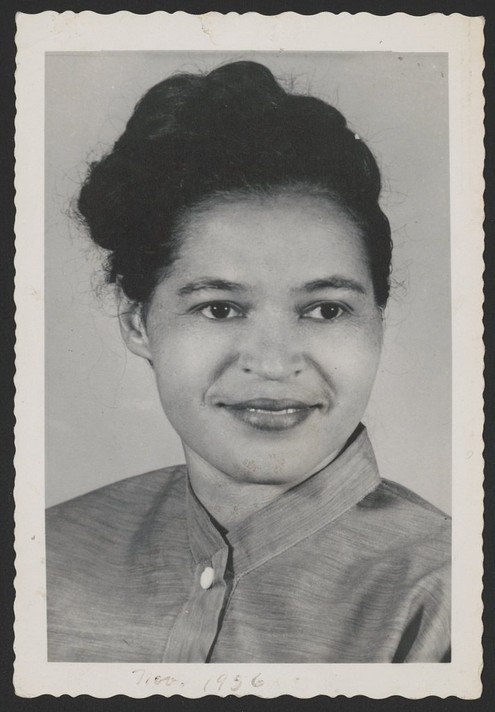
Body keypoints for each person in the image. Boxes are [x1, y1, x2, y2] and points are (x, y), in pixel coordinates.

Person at [46, 60, 451, 663]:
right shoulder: (45, 555)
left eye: (325, 310)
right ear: (138, 322)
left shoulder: (445, 595)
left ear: (379, 321)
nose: (273, 362)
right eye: (219, 309)